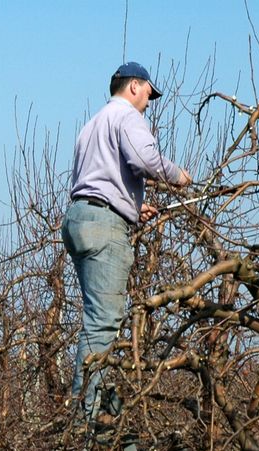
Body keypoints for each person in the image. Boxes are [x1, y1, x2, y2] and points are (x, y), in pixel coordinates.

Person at [61, 61, 192, 415]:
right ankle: (86, 415)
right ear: (135, 86)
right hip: (103, 226)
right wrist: (178, 175)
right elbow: (144, 158)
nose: (149, 102)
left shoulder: (92, 125)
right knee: (103, 320)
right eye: (149, 94)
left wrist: (135, 207)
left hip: (80, 218)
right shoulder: (128, 116)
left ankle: (94, 400)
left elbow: (100, 179)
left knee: (96, 315)